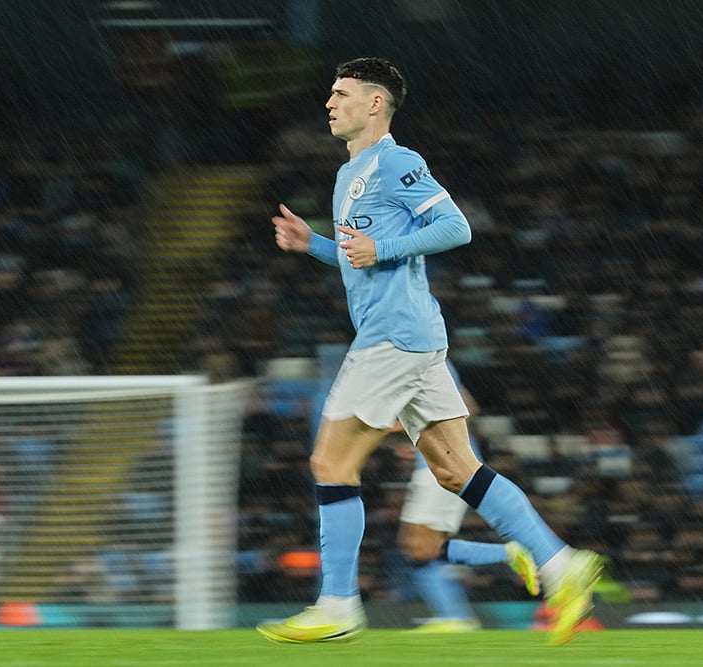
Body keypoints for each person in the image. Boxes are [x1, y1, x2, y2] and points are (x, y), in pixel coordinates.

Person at [257, 57, 603, 646]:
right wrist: (313, 243)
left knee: (329, 463)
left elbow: (455, 227)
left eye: (340, 93)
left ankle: (339, 603)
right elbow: (358, 255)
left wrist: (385, 247)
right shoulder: (349, 175)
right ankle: (558, 562)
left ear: (374, 104)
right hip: (415, 341)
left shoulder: (397, 161)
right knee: (455, 470)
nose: (328, 102)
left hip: (393, 337)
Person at [395, 362, 541, 632]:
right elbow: (468, 406)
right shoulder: (433, 359)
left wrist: (398, 426)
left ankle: (455, 617)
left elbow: (464, 408)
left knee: (419, 551)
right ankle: (506, 556)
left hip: (443, 466)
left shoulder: (414, 358)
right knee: (418, 547)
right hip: (440, 464)